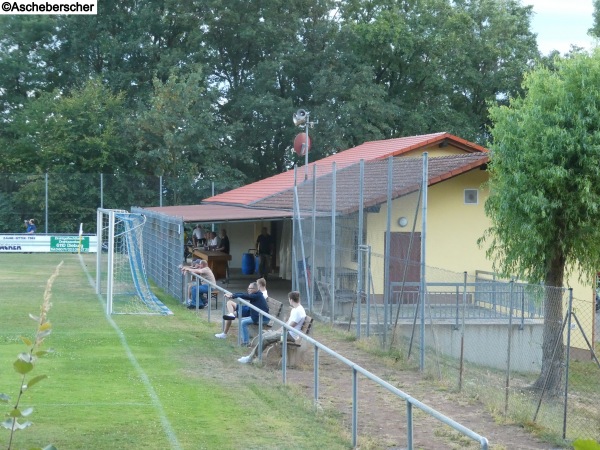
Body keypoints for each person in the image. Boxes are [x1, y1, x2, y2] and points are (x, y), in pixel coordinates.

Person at [238, 291, 306, 364]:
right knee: (264, 335)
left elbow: (290, 326)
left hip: (290, 336)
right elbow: (287, 323)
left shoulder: (299, 312)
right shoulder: (295, 309)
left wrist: (279, 332)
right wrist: (279, 330)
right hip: (286, 333)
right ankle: (251, 356)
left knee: (266, 339)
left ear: (291, 300)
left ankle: (250, 359)